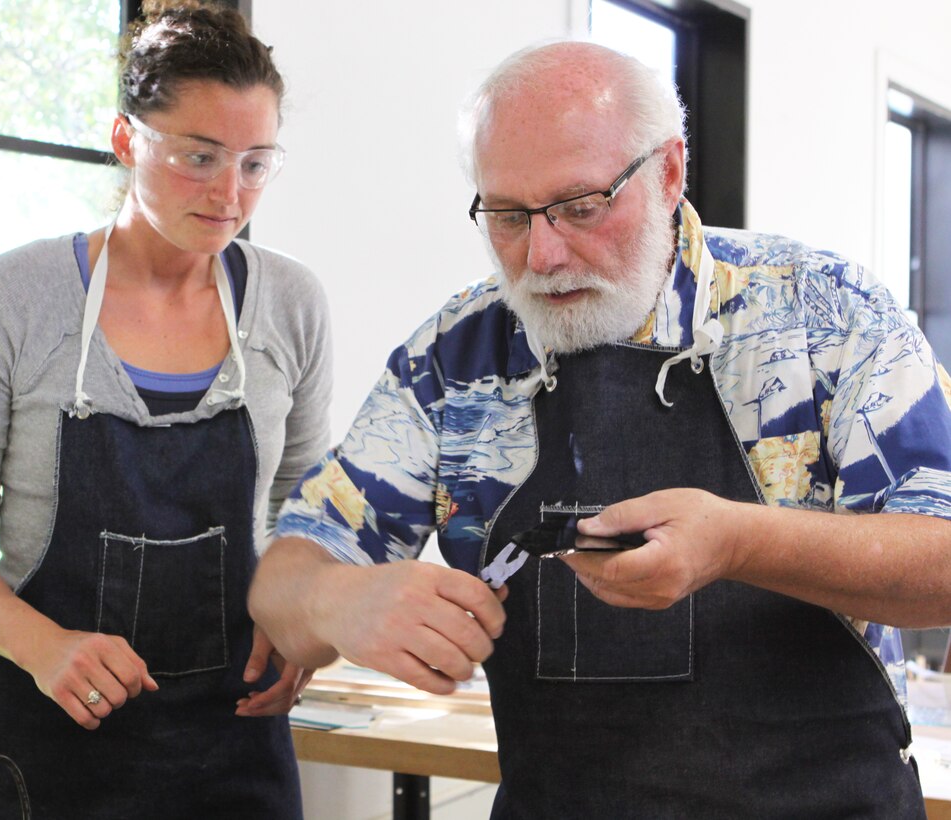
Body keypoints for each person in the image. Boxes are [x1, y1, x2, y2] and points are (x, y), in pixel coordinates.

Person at [249, 40, 951, 818]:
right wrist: (332, 600)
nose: (542, 256)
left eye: (581, 208)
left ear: (669, 172)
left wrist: (737, 543)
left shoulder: (820, 314)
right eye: (508, 216)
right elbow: (283, 580)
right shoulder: (455, 357)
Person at [0, 2, 330, 817]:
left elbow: (305, 508)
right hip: (46, 739)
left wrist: (306, 607)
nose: (229, 193)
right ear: (126, 139)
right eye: (198, 157)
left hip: (234, 741)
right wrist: (45, 647)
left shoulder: (291, 303)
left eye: (255, 162)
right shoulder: (11, 301)